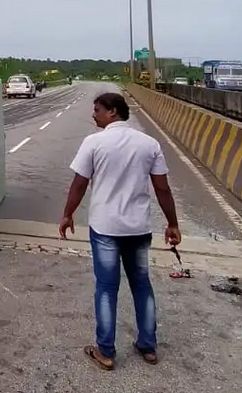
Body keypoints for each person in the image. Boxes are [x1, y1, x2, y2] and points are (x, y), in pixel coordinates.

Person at [59, 92, 181, 371]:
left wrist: (68, 214)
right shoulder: (149, 144)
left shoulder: (94, 143)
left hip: (105, 228)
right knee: (141, 284)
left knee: (106, 288)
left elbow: (79, 184)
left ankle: (105, 351)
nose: (94, 114)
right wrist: (172, 223)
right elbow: (162, 188)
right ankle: (148, 346)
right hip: (139, 228)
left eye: (98, 110)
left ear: (113, 112)